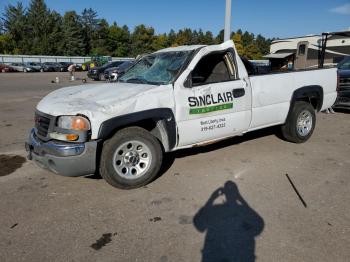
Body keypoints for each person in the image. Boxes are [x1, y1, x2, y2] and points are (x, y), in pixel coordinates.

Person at [193, 181, 264, 262]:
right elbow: (258, 224)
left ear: (224, 194)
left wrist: (212, 198)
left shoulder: (216, 210)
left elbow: (199, 224)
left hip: (215, 256)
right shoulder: (242, 211)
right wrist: (241, 199)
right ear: (236, 194)